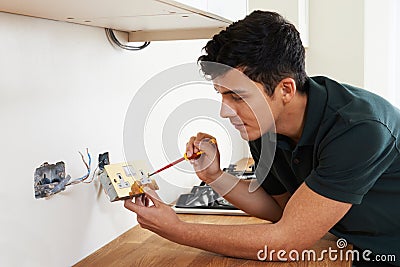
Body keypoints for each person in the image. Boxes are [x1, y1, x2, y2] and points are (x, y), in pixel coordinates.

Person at [124, 10, 400, 266]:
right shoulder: (265, 124)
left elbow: (288, 240)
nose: (224, 111)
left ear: (286, 89)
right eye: (221, 95)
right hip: (354, 245)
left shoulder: (358, 128)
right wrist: (214, 176)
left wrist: (177, 229)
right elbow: (281, 209)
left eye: (237, 96)